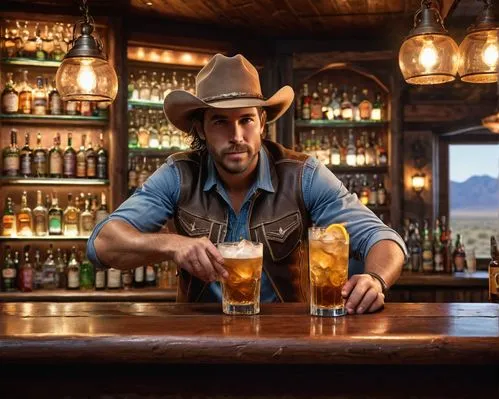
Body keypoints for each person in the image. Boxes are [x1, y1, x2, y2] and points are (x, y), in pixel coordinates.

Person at [87, 54, 406, 314]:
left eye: (246, 120)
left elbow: (382, 238)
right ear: (200, 129)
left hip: (289, 340)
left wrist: (375, 279)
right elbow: (102, 244)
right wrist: (172, 245)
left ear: (263, 122)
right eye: (220, 121)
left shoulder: (304, 175)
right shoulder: (179, 174)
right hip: (198, 342)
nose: (236, 137)